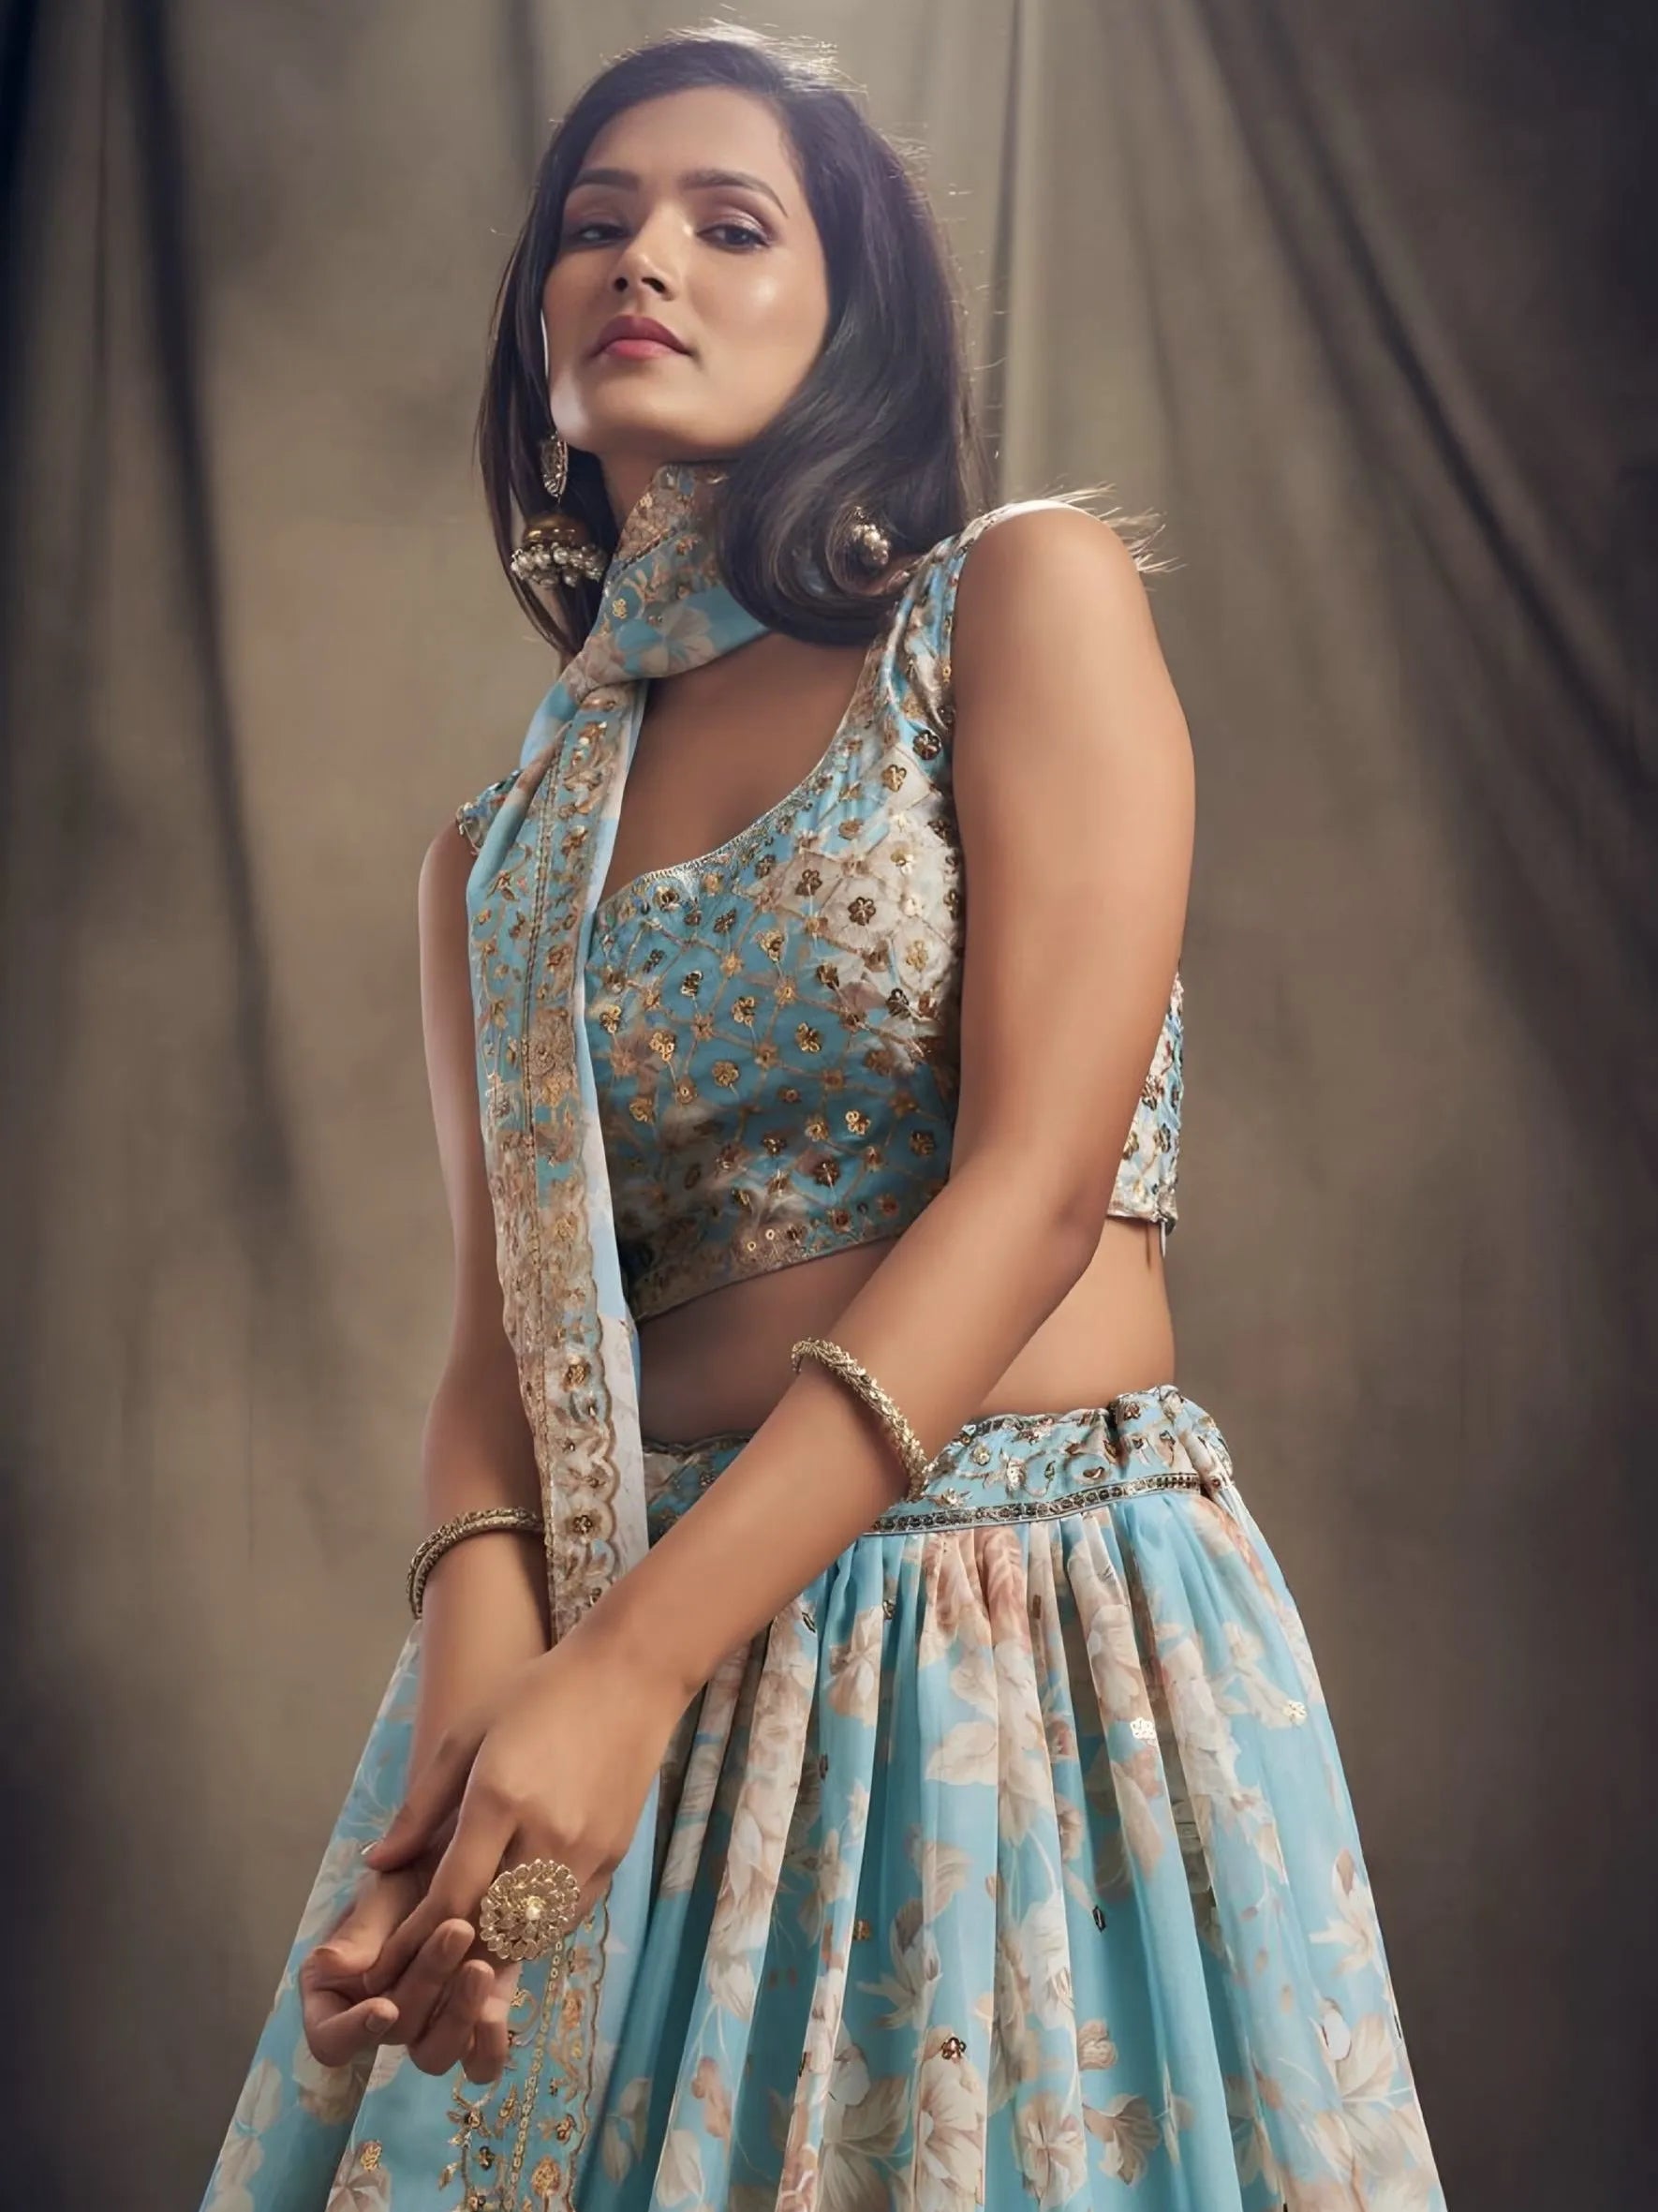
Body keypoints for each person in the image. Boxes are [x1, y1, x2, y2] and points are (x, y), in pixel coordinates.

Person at [199, 25, 1445, 2212]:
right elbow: (498, 1372)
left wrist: (629, 1675)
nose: (638, 258)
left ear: (851, 302)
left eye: (722, 219)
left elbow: (1043, 1183)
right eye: (592, 229)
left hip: (1018, 1642)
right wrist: (469, 1784)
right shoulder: (498, 853)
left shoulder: (1013, 607)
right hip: (639, 1689)